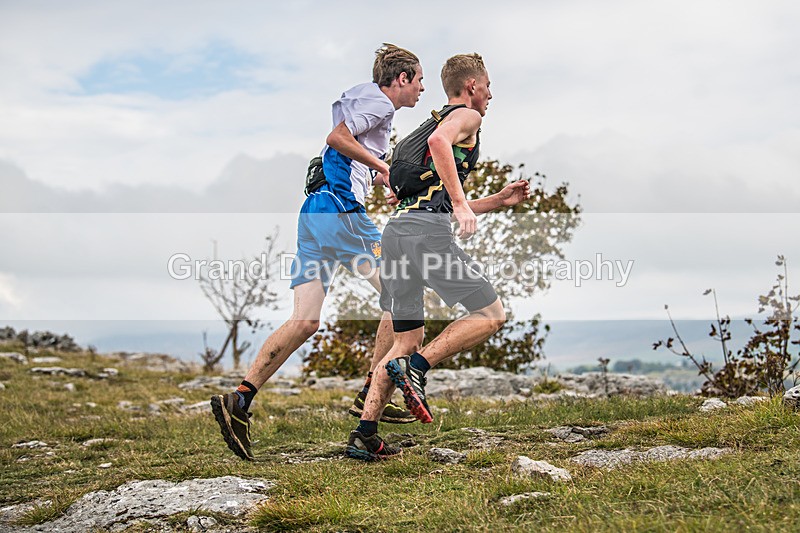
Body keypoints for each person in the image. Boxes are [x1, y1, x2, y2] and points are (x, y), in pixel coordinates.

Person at [211, 44, 425, 461]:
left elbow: (347, 151)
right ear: (401, 79)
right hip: (340, 210)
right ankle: (372, 392)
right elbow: (337, 139)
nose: (420, 90)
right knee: (402, 294)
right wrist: (380, 168)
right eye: (418, 81)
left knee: (305, 320)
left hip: (317, 212)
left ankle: (239, 401)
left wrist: (385, 177)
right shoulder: (380, 103)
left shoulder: (369, 105)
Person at [345, 53, 531, 461]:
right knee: (490, 315)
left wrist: (495, 201)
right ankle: (419, 368)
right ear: (471, 88)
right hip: (426, 235)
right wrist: (463, 206)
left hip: (397, 233)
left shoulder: (423, 125)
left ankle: (365, 433)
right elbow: (439, 146)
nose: (490, 95)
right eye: (487, 86)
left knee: (405, 337)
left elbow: (425, 192)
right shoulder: (466, 118)